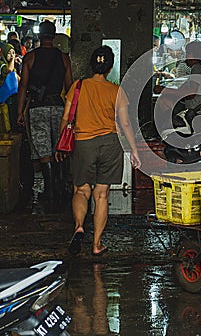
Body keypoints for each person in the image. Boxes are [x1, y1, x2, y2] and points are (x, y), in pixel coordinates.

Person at [57, 45, 141, 256]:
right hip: (110, 144)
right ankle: (96, 244)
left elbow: (66, 117)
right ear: (110, 67)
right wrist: (134, 150)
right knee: (101, 195)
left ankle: (79, 227)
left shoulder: (78, 85)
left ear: (91, 64)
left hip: (83, 143)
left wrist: (61, 143)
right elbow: (126, 124)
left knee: (81, 191)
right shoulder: (116, 90)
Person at [17, 21, 73, 212]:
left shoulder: (30, 57)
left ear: (40, 36)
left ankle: (49, 191)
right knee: (59, 148)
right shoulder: (64, 58)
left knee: (43, 151)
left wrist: (19, 111)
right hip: (58, 108)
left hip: (37, 108)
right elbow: (70, 88)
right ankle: (59, 189)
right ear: (54, 36)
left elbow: (23, 87)